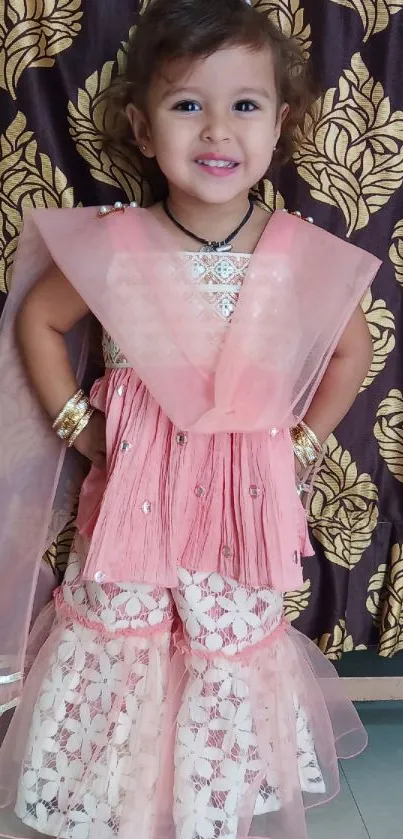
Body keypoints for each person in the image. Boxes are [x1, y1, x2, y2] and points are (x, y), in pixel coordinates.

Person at [0, 1, 381, 838]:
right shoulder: (119, 243)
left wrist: (301, 442)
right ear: (141, 129)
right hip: (135, 494)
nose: (217, 129)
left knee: (226, 639)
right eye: (186, 105)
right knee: (125, 639)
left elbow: (352, 351)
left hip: (240, 500)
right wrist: (77, 423)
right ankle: (116, 808)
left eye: (244, 104)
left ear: (279, 125)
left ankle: (210, 803)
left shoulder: (294, 253)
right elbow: (39, 319)